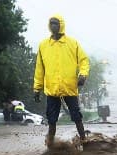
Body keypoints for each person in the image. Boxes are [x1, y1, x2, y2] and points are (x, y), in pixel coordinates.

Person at [33, 14, 90, 145]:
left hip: (69, 87)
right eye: (51, 23)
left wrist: (83, 75)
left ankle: (84, 141)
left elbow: (84, 61)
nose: (53, 26)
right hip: (52, 89)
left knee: (76, 116)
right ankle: (51, 146)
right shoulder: (43, 45)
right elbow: (39, 69)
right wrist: (37, 88)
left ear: (61, 25)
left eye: (56, 23)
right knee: (51, 120)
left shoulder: (72, 43)